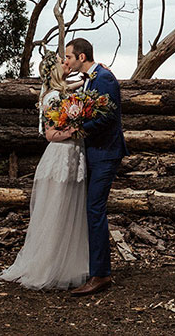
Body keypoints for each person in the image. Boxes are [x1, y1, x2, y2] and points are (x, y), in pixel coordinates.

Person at [0, 46, 90, 290]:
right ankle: (50, 266)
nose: (65, 64)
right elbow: (50, 134)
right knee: (57, 209)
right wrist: (73, 130)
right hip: (61, 154)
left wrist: (82, 83)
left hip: (73, 154)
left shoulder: (58, 91)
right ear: (54, 70)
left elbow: (68, 90)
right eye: (62, 62)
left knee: (69, 208)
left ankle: (69, 262)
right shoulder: (52, 97)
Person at [64, 37, 127, 296]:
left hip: (106, 153)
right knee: (92, 209)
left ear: (82, 57)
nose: (66, 60)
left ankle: (101, 275)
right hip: (94, 153)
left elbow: (108, 117)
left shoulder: (104, 78)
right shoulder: (90, 79)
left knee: (95, 209)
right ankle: (96, 268)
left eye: (69, 56)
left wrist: (77, 130)